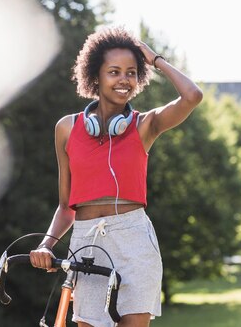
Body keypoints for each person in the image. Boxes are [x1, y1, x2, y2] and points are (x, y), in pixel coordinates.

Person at [29, 27, 203, 327]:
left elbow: (192, 96)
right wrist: (46, 244)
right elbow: (65, 206)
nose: (124, 79)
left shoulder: (144, 125)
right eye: (114, 71)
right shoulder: (67, 129)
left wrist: (155, 59)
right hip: (87, 243)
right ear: (95, 76)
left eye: (132, 72)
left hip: (135, 239)